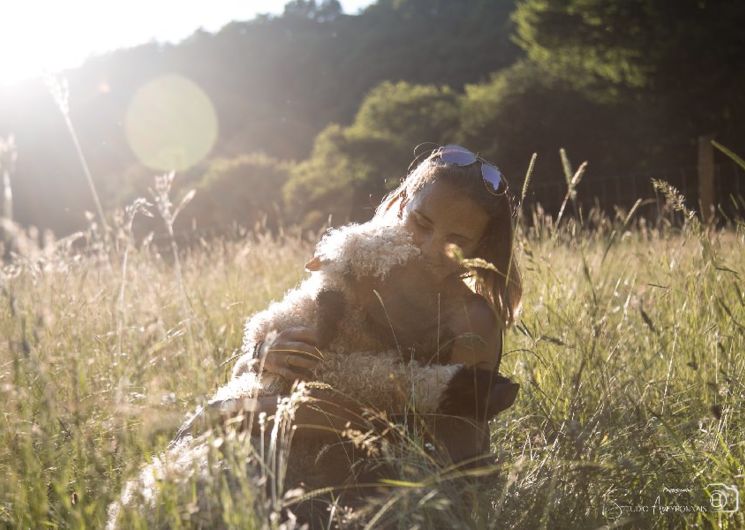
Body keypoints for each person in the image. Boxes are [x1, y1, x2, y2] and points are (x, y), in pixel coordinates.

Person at [252, 144, 522, 467]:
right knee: (218, 421)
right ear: (404, 204)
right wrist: (265, 353)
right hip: (303, 443)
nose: (430, 247)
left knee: (232, 419)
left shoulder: (471, 319)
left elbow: (450, 442)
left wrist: (315, 412)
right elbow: (285, 337)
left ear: (480, 245)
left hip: (405, 481)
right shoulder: (361, 269)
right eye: (422, 223)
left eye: (457, 241)